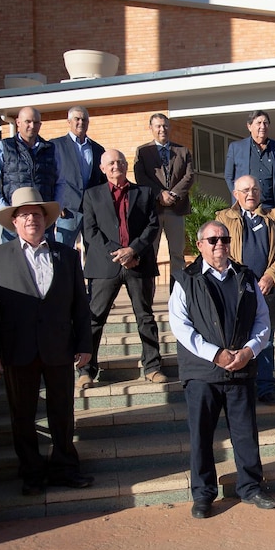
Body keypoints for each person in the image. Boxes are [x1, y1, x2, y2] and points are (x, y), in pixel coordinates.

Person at [0, 187, 94, 496]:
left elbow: (80, 306)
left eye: (37, 214)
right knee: (23, 415)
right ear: (14, 222)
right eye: (25, 214)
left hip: (59, 348)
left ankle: (66, 468)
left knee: (62, 413)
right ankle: (31, 472)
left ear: (47, 220)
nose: (32, 219)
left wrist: (85, 344)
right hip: (18, 351)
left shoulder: (67, 256)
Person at [169, 220, 275, 518]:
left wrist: (249, 351)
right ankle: (203, 494)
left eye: (224, 239)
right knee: (202, 436)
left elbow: (263, 320)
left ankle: (251, 487)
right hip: (202, 373)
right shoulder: (185, 279)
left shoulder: (245, 276)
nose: (220, 245)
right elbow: (180, 324)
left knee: (245, 433)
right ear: (200, 245)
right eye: (213, 240)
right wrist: (214, 354)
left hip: (240, 369)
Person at [81, 149, 167, 388]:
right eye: (110, 163)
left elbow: (152, 226)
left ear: (126, 165)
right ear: (102, 168)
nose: (115, 166)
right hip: (104, 267)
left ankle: (152, 366)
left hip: (138, 263)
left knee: (145, 317)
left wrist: (133, 250)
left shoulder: (144, 193)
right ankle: (86, 370)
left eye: (119, 161)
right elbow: (90, 232)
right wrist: (119, 254)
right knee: (94, 319)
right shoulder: (91, 195)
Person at [216, 175, 275, 405]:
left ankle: (266, 387)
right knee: (236, 338)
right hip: (236, 288)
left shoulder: (273, 218)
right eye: (246, 190)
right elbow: (218, 249)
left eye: (255, 189)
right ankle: (238, 387)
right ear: (236, 194)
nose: (251, 194)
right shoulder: (223, 218)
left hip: (266, 288)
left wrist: (272, 275)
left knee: (265, 340)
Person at [0, 106, 61, 242]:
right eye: (28, 122)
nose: (32, 126)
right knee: (13, 261)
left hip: (42, 221)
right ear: (18, 122)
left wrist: (56, 206)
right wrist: (4, 208)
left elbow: (62, 181)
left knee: (46, 261)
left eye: (36, 122)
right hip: (15, 221)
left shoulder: (51, 149)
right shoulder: (3, 147)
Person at [133, 113, 195, 288]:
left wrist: (173, 194)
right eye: (158, 126)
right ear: (151, 128)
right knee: (150, 253)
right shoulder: (143, 151)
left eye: (165, 126)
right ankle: (148, 294)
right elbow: (141, 177)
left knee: (177, 254)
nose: (162, 129)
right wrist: (160, 194)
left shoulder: (182, 151)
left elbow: (189, 176)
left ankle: (177, 295)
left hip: (176, 209)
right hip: (153, 210)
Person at [51, 105, 106, 248]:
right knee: (63, 251)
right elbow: (49, 177)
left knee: (94, 252)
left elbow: (102, 181)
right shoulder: (55, 146)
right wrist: (56, 203)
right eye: (77, 119)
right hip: (67, 209)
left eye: (84, 119)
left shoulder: (97, 149)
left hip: (91, 210)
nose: (81, 122)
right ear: (69, 121)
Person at [224, 110, 275, 214]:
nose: (262, 126)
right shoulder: (236, 148)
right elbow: (229, 176)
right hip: (246, 206)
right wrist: (240, 196)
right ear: (249, 126)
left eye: (265, 123)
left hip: (270, 206)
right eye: (259, 123)